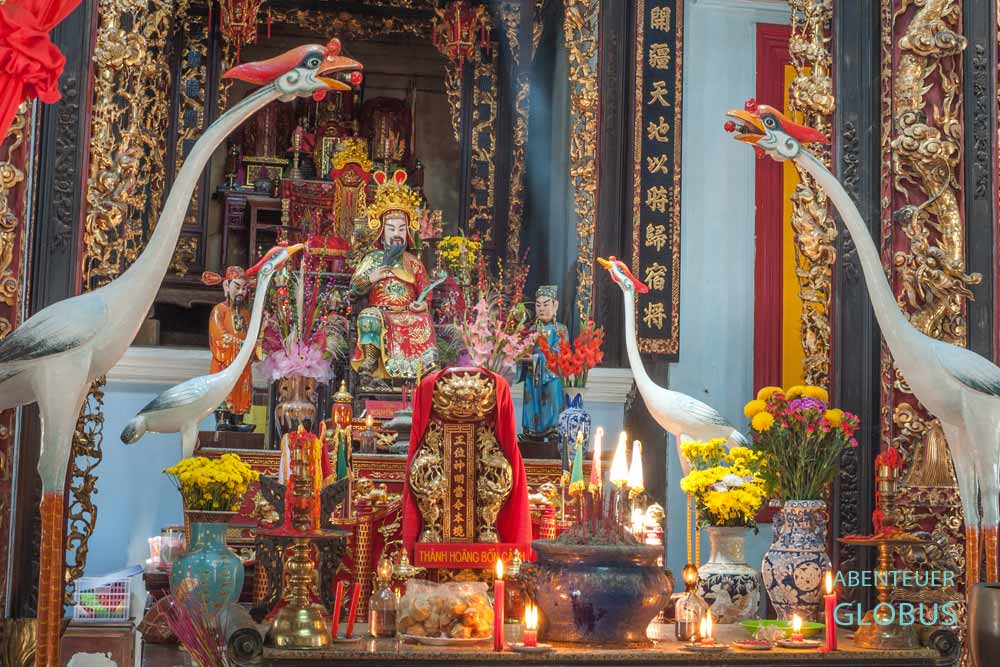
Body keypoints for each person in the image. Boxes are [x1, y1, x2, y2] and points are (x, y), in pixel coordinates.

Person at [350, 169, 437, 380]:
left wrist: (422, 304)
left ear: (407, 231)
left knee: (423, 319)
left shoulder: (413, 263)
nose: (396, 234)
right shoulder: (372, 259)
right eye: (391, 229)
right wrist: (372, 278)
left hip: (408, 313)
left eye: (401, 229)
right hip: (381, 313)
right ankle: (370, 359)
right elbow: (354, 288)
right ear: (382, 231)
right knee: (368, 317)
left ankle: (423, 369)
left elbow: (426, 291)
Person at [203, 266, 255, 431]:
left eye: (244, 288)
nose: (241, 292)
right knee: (224, 387)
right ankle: (223, 419)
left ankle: (237, 421)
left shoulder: (246, 313)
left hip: (242, 360)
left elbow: (251, 333)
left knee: (242, 386)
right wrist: (239, 344)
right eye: (237, 287)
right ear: (226, 286)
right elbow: (218, 334)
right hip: (225, 360)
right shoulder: (219, 310)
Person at [518, 285, 567, 439]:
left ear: (555, 305)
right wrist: (521, 357)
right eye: (538, 305)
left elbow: (561, 353)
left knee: (552, 399)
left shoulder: (560, 329)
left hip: (551, 375)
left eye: (546, 304)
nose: (541, 309)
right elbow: (524, 350)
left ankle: (553, 429)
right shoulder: (530, 329)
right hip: (532, 375)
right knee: (532, 401)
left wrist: (537, 358)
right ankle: (532, 431)